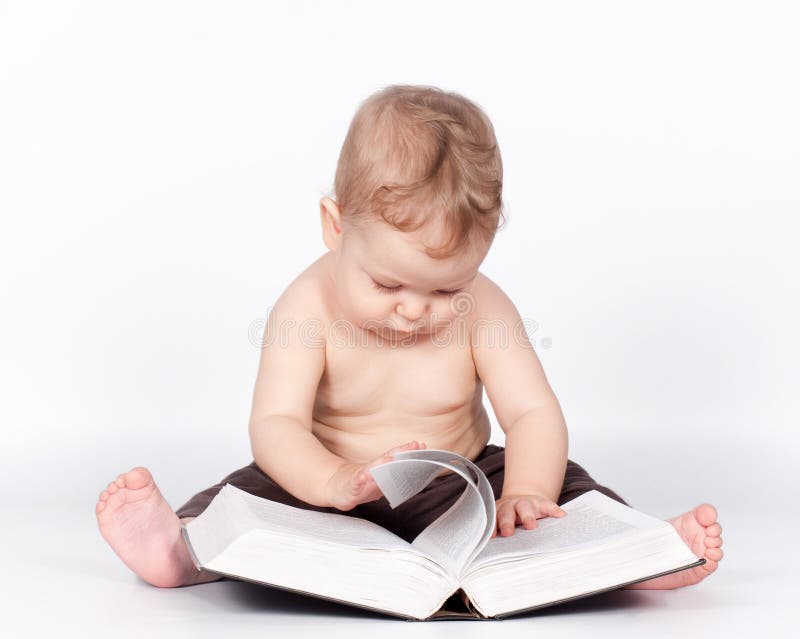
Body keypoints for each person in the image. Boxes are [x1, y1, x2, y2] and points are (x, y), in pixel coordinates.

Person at [96, 85, 723, 590]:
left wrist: (526, 491)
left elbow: (532, 412)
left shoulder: (485, 305)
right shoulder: (304, 306)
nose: (415, 311)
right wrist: (333, 481)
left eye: (447, 290)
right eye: (388, 283)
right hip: (323, 477)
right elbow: (277, 423)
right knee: (240, 499)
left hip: (458, 482)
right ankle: (177, 552)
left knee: (572, 493)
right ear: (335, 227)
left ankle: (641, 555)